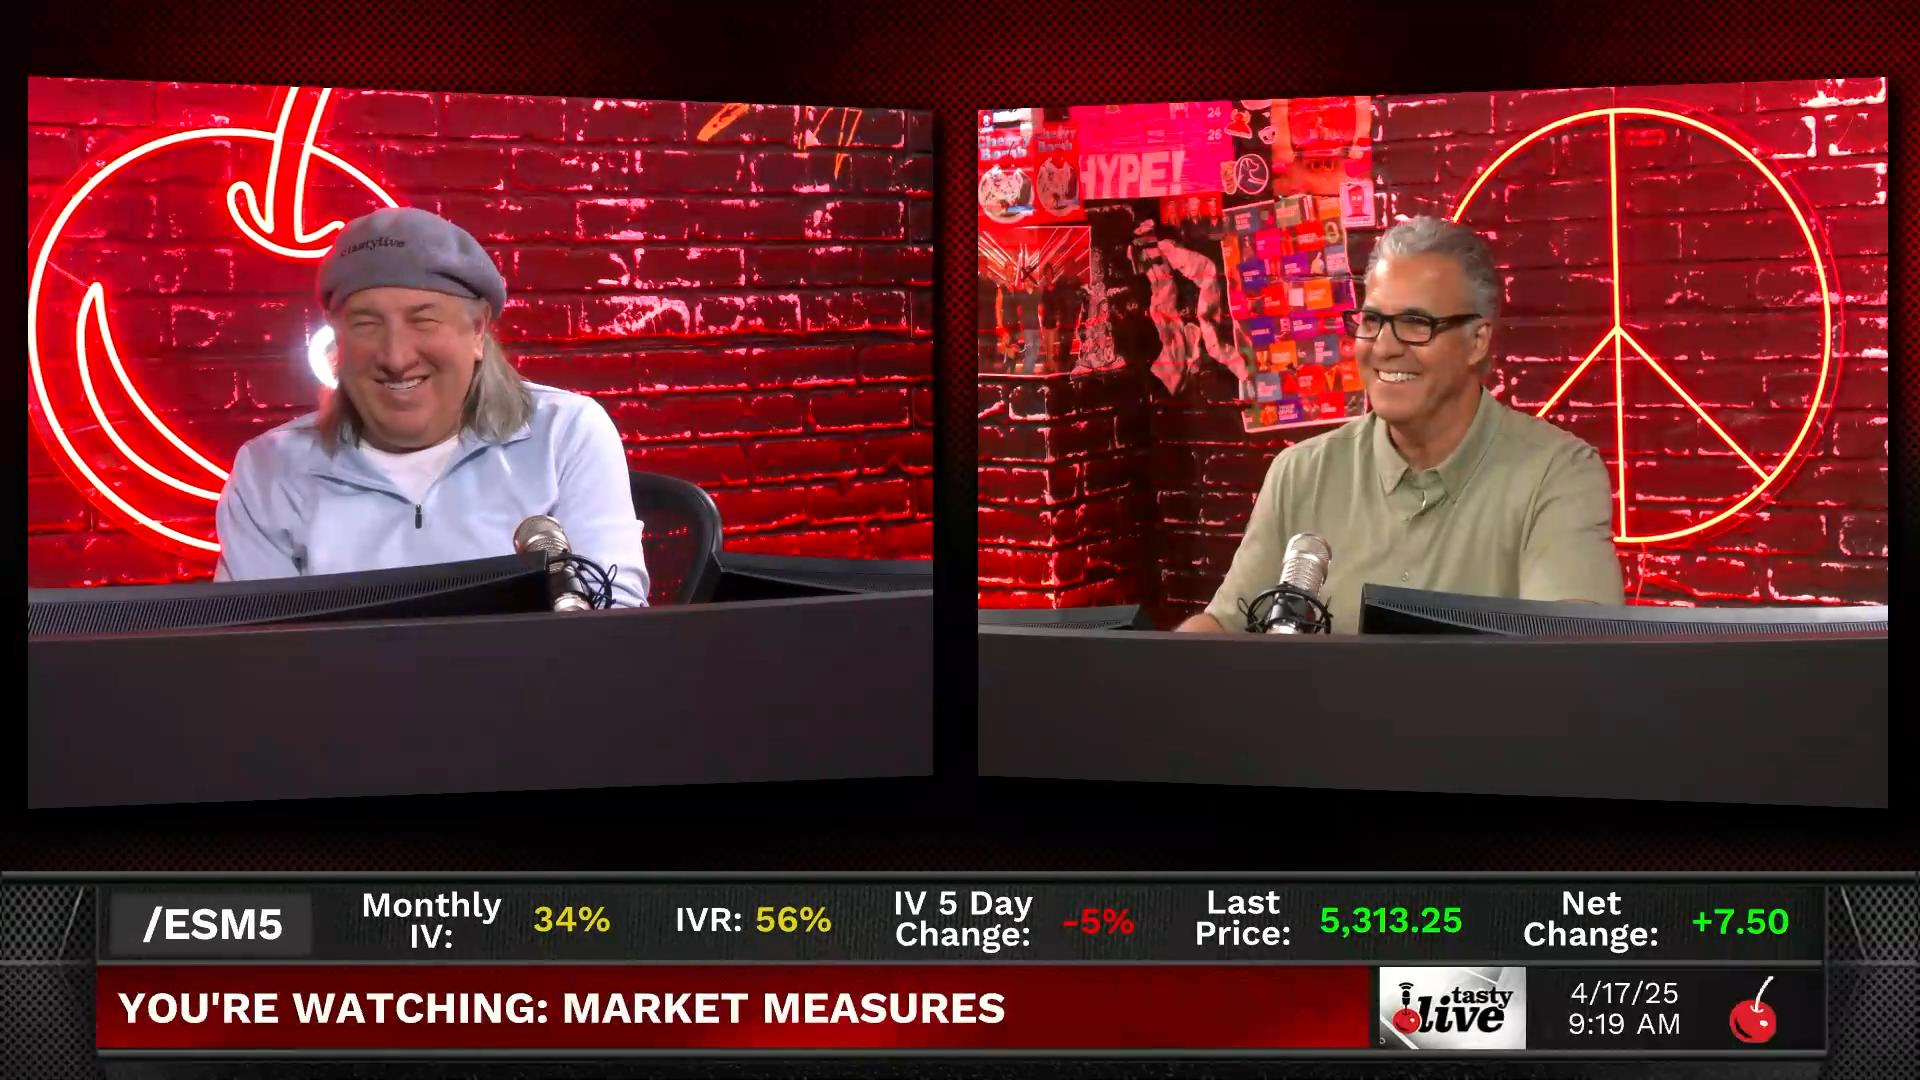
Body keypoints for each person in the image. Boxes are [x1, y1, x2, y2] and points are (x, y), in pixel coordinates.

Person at [1176, 215, 1622, 634]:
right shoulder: (1300, 474)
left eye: (1415, 323)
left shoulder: (1557, 474)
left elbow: (1570, 657)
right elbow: (1223, 628)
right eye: (1372, 321)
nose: (1384, 347)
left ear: (1477, 341)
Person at [213, 206, 650, 607]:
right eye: (366, 324)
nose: (396, 356)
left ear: (477, 330)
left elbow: (615, 623)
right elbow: (256, 646)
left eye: (423, 320)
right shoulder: (269, 470)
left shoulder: (565, 434)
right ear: (336, 337)